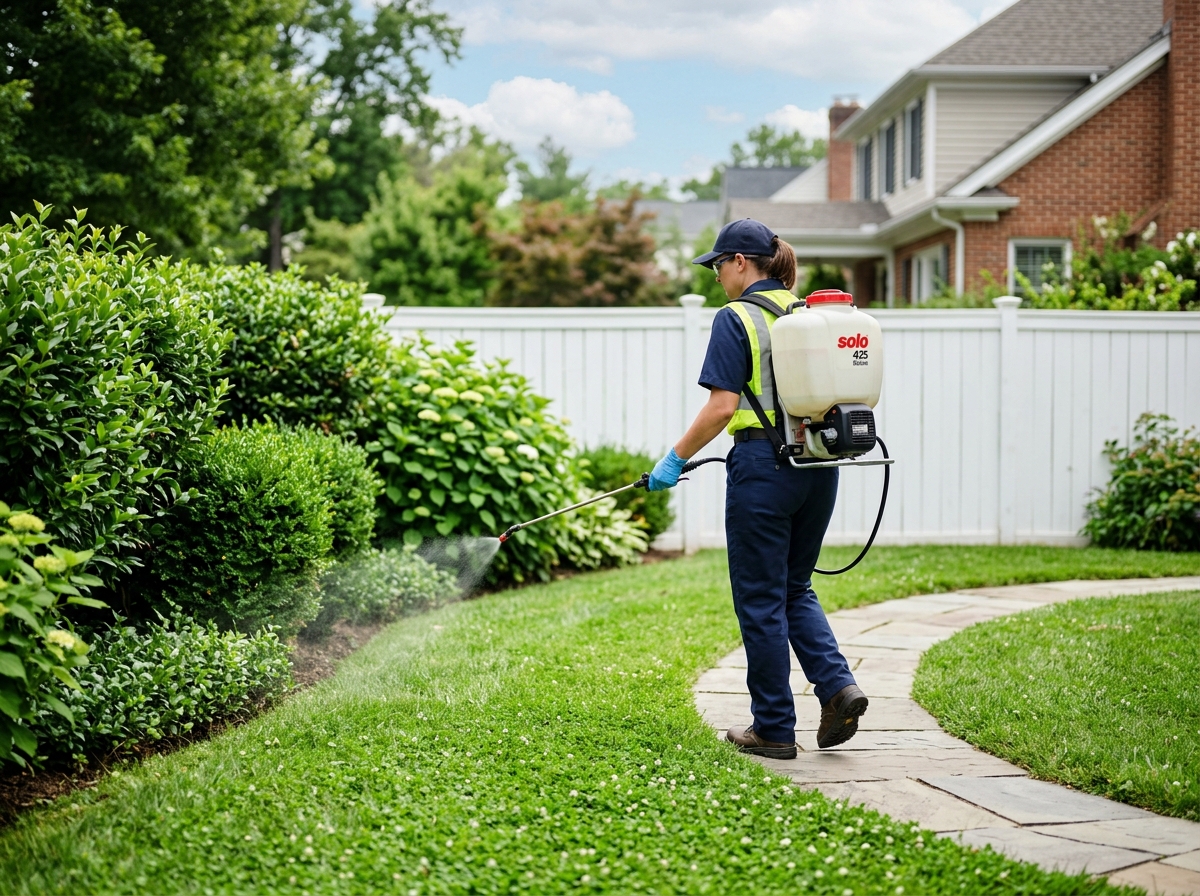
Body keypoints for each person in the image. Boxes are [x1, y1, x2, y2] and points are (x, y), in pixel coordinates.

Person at [648, 218, 867, 758]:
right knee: (795, 588)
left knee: (761, 601)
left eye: (720, 265)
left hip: (763, 472)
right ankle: (838, 687)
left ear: (742, 262)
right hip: (819, 467)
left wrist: (675, 459)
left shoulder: (736, 318)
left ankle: (772, 727)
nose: (717, 276)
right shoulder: (811, 314)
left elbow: (723, 407)